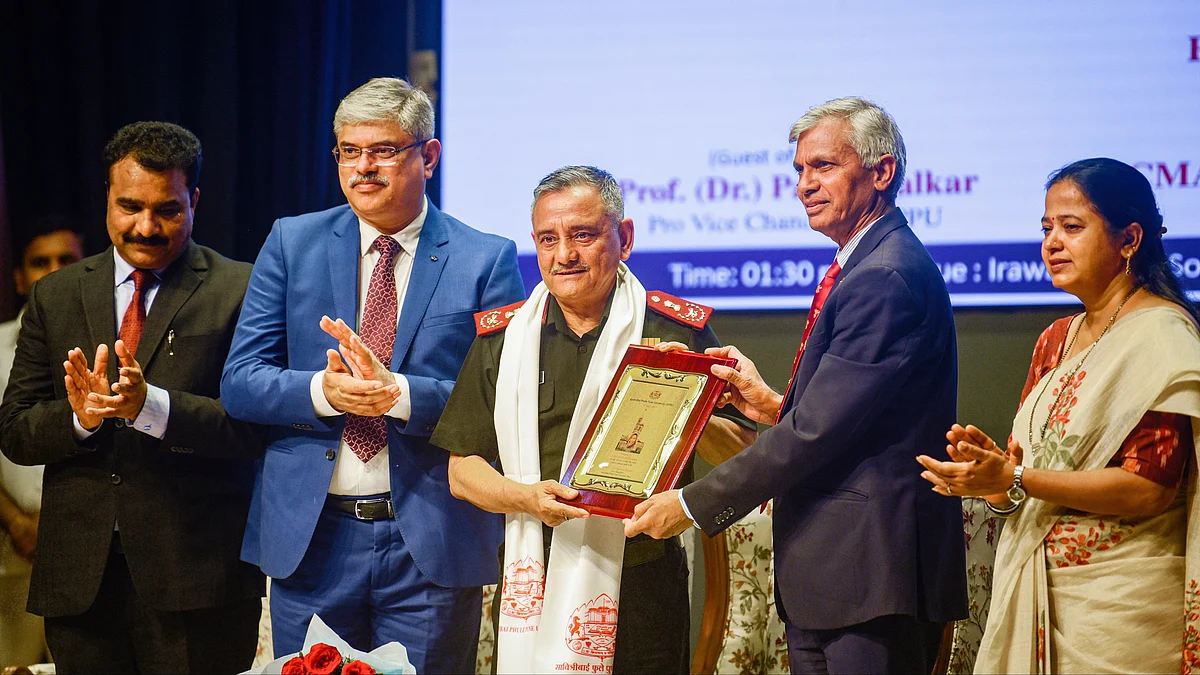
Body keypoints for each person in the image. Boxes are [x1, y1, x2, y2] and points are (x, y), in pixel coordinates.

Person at [626, 97, 967, 673]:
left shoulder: (883, 276)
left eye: (824, 167)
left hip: (869, 574)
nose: (806, 184)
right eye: (800, 170)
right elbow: (853, 418)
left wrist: (690, 502)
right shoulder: (865, 264)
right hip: (840, 575)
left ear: (882, 173)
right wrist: (769, 405)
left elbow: (816, 434)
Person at [220, 77, 525, 673]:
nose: (364, 168)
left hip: (430, 543)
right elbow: (241, 380)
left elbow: (500, 401)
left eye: (384, 151)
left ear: (428, 156)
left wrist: (399, 395)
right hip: (313, 543)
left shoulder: (485, 258)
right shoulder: (291, 242)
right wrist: (322, 392)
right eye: (349, 152)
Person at [431, 165, 757, 674]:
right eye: (548, 239)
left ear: (623, 238)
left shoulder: (675, 330)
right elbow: (461, 471)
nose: (565, 255)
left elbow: (742, 450)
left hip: (643, 578)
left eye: (583, 235)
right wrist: (526, 498)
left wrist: (683, 402)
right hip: (531, 569)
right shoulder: (503, 338)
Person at [917, 157, 1200, 673]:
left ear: (1129, 238)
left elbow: (1150, 488)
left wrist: (1017, 475)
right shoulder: (1055, 339)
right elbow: (1024, 480)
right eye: (1047, 228)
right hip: (1037, 590)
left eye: (1072, 227)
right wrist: (990, 481)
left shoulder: (1164, 336)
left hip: (1121, 613)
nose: (1051, 242)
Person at [0, 122, 264, 673]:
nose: (146, 226)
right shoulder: (57, 294)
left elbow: (254, 429)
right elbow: (16, 431)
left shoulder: (240, 288)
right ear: (106, 198)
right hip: (80, 582)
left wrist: (153, 408)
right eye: (129, 206)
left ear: (194, 200)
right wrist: (79, 420)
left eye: (167, 208)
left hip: (198, 581)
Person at [0, 217, 84, 667]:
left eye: (65, 260)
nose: (53, 271)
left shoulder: (110, 348)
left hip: (87, 547)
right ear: (18, 277)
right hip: (10, 548)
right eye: (39, 262)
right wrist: (14, 521)